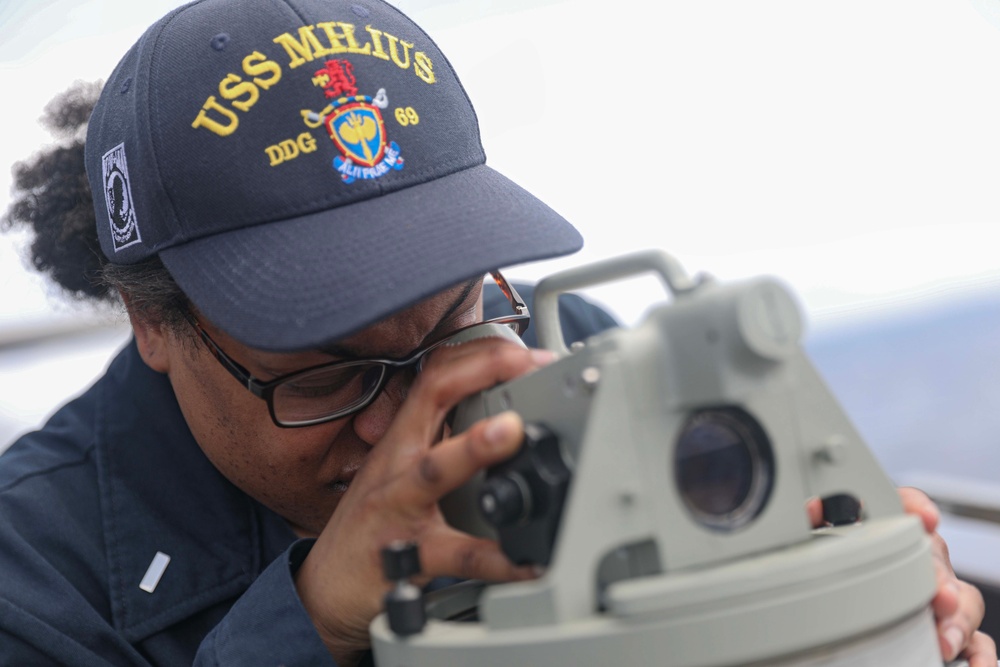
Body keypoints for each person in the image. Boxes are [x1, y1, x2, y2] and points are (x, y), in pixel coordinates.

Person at [0, 0, 992, 665]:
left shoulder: (580, 358)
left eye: (448, 323)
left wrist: (874, 601)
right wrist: (304, 622)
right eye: (329, 372)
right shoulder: (33, 581)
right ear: (153, 321)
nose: (405, 427)